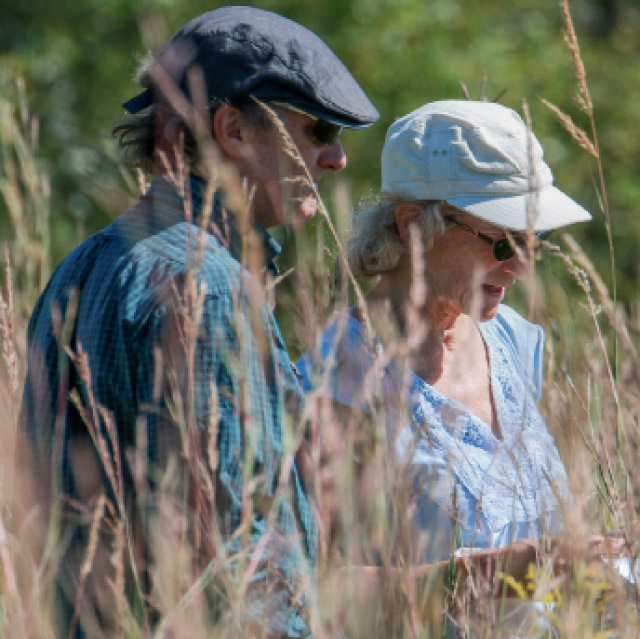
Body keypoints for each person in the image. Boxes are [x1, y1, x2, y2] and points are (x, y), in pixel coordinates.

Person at [20, 6, 378, 638]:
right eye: (319, 130)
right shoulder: (209, 287)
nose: (337, 159)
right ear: (232, 130)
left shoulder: (81, 264)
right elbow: (238, 563)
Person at [297, 99, 597, 635]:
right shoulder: (337, 382)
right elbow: (313, 589)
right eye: (504, 242)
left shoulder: (516, 341)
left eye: (535, 241)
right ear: (414, 226)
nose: (522, 267)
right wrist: (493, 574)